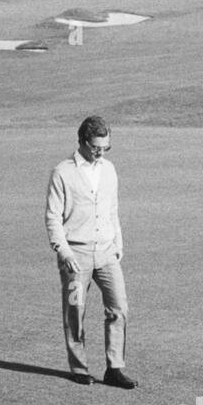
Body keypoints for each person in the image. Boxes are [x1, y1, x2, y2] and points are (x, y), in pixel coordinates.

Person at [45, 115, 138, 389]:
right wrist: (63, 252)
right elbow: (52, 217)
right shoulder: (62, 172)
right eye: (97, 147)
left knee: (119, 307)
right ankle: (79, 367)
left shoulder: (109, 170)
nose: (101, 152)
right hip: (76, 256)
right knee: (75, 311)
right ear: (83, 142)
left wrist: (118, 242)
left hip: (106, 253)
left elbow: (112, 209)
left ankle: (115, 368)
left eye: (106, 148)